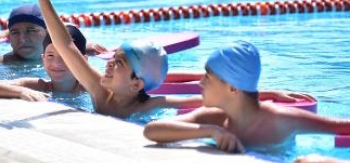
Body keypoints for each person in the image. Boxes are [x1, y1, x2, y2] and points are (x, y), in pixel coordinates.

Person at [32, 0, 312, 120]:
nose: (106, 65)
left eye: (117, 63)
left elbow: (217, 100)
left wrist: (271, 95)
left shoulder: (153, 105)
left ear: (137, 83)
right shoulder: (97, 90)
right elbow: (66, 46)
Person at [143, 41, 350, 153]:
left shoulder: (281, 120)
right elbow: (152, 130)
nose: (200, 83)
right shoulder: (214, 118)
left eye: (208, 77)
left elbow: (342, 127)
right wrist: (211, 131)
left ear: (233, 88)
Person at [0, 24, 87, 101]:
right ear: (43, 59)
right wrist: (21, 91)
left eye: (66, 56)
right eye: (50, 55)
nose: (56, 63)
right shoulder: (39, 86)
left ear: (84, 60)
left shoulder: (90, 88)